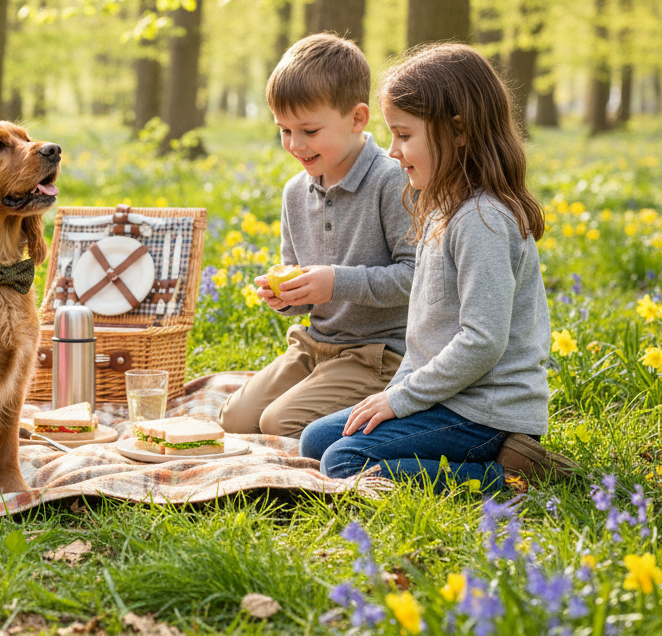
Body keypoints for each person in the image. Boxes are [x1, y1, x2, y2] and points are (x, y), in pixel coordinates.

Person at [299, 43, 574, 489]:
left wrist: (401, 400)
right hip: (445, 398)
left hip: (484, 413)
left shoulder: (483, 221)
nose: (392, 152)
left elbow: (482, 341)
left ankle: (506, 475)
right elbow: (427, 337)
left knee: (344, 462)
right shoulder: (441, 209)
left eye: (404, 136)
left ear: (459, 131)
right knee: (315, 440)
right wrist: (394, 397)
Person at [218, 33, 414, 439]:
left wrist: (335, 281)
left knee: (277, 422)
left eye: (308, 130)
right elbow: (303, 287)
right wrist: (286, 297)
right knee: (235, 419)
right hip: (314, 346)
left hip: (377, 354)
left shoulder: (391, 181)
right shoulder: (295, 191)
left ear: (358, 119)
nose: (295, 144)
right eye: (284, 130)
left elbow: (418, 279)